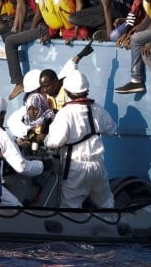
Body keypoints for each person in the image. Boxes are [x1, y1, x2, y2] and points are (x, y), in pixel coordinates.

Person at [44, 71, 117, 209]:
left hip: (75, 167)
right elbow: (112, 129)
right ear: (86, 90)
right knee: (107, 204)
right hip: (98, 165)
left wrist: (45, 139)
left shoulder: (65, 113)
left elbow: (55, 142)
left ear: (66, 91)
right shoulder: (98, 109)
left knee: (69, 210)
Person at [0, 95, 45, 206]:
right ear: (1, 115)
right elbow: (21, 167)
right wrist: (41, 165)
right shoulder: (2, 135)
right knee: (17, 208)